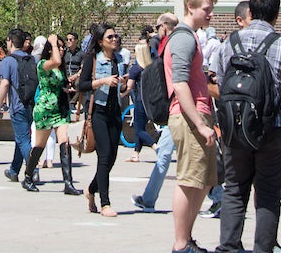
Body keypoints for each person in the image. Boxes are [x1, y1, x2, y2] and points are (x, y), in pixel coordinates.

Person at [212, 0, 281, 253]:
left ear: (249, 13)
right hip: (272, 130)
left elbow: (217, 81)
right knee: (268, 194)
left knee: (234, 189)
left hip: (235, 129)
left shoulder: (229, 43)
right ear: (277, 15)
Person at [165, 0, 219, 253]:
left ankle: (186, 238)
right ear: (191, 8)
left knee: (202, 180)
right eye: (206, 9)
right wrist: (199, 123)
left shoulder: (190, 37)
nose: (211, 14)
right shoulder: (184, 38)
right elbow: (180, 83)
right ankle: (180, 242)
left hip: (195, 113)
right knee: (189, 180)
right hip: (188, 116)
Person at [77, 23, 127, 217]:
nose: (114, 40)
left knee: (112, 156)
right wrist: (102, 81)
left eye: (116, 36)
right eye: (110, 37)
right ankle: (105, 203)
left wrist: (123, 84)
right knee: (104, 155)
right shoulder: (93, 59)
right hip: (98, 112)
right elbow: (82, 85)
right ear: (100, 41)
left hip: (115, 111)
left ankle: (91, 189)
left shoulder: (119, 59)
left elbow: (121, 89)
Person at [133, 12, 179, 211]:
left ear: (164, 27)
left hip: (178, 109)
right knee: (165, 155)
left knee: (193, 157)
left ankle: (217, 194)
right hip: (173, 110)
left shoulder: (172, 46)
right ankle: (149, 199)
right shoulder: (166, 46)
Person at [27, 32, 82, 195]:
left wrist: (66, 88)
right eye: (58, 46)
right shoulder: (43, 64)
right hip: (45, 109)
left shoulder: (58, 68)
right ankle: (28, 176)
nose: (62, 49)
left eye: (62, 46)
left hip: (59, 109)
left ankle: (68, 182)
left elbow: (59, 81)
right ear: (50, 49)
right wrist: (51, 41)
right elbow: (57, 60)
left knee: (65, 142)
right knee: (39, 145)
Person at [0, 27, 38, 188]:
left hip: (17, 106)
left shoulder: (8, 61)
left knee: (23, 139)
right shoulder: (32, 60)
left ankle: (32, 169)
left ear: (11, 42)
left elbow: (5, 83)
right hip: (31, 104)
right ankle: (14, 170)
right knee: (21, 139)